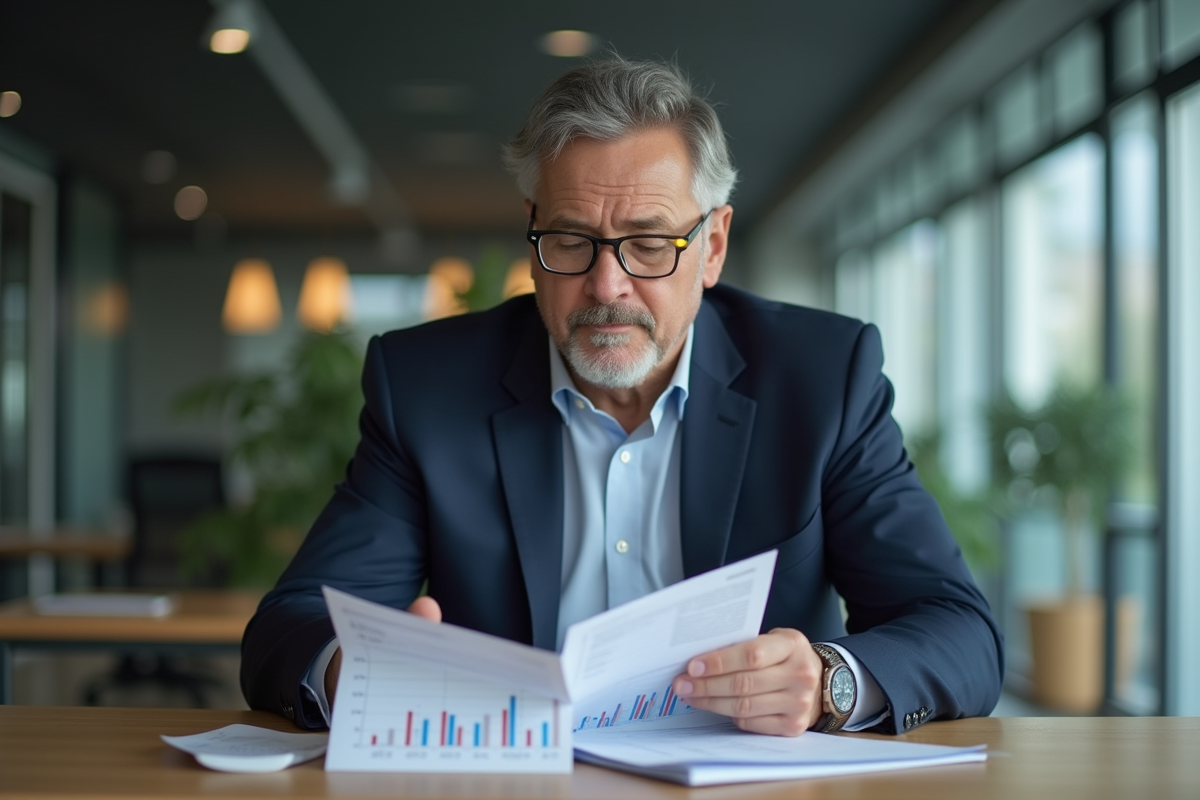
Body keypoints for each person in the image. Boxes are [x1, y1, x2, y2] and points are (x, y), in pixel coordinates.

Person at [241, 58, 1003, 737]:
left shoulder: (821, 377)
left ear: (712, 245)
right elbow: (289, 627)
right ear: (533, 237)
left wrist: (828, 684)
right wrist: (357, 669)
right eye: (571, 241)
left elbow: (959, 631)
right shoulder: (428, 387)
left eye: (647, 242)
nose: (606, 287)